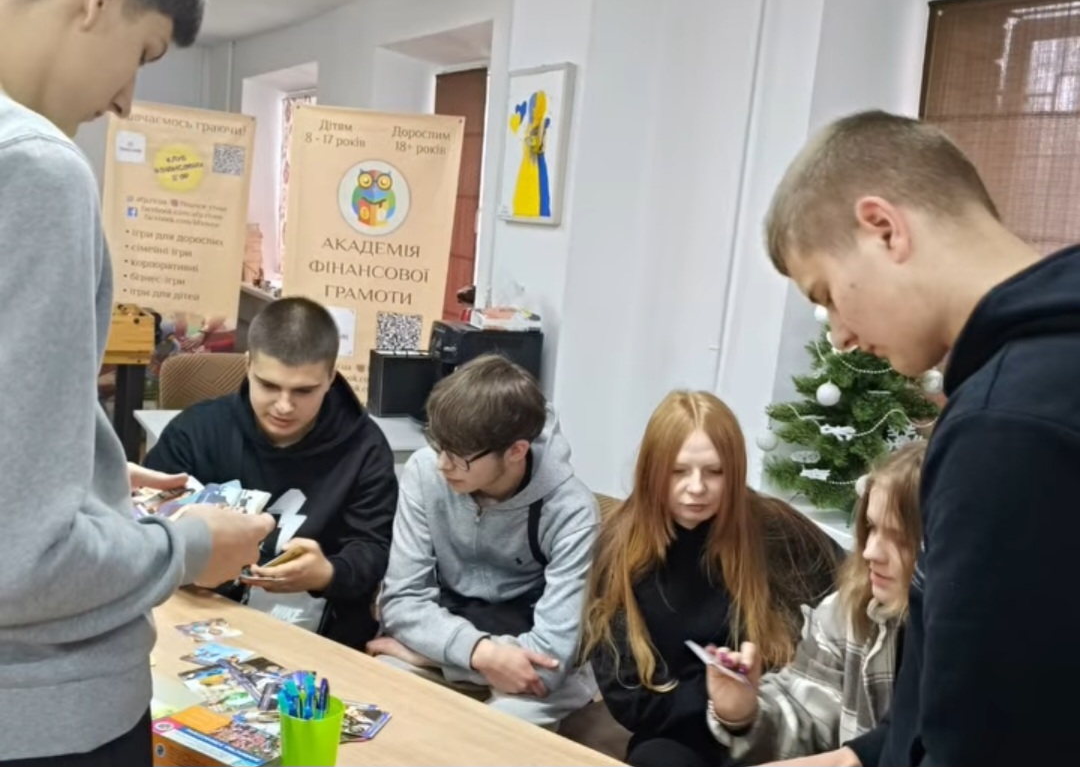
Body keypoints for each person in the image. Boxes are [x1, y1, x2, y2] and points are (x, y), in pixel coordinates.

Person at [0, 0, 274, 764]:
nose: (124, 99)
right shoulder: (35, 168)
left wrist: (90, 476)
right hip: (44, 715)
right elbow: (19, 557)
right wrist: (190, 545)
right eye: (145, 54)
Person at [764, 108, 1080, 766]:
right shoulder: (1048, 374)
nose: (839, 335)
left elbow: (983, 746)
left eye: (828, 294)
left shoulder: (1004, 425)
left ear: (883, 228)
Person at [580, 391, 842, 767]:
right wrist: (718, 699)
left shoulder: (778, 531)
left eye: (715, 472)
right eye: (678, 471)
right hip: (677, 733)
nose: (697, 487)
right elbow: (629, 700)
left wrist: (751, 706)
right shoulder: (620, 547)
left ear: (734, 473)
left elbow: (849, 606)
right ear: (652, 470)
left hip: (772, 726)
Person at [145, 296, 399, 650]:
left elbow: (374, 548)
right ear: (248, 364)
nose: (284, 406)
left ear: (330, 376)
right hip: (200, 623)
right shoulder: (194, 432)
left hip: (320, 640)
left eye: (304, 391)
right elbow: (147, 529)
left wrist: (329, 573)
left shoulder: (365, 448)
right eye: (268, 385)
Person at [368, 354, 601, 729]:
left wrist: (430, 656)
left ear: (516, 451)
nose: (443, 464)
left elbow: (549, 662)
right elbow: (401, 600)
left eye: (459, 456)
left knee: (500, 730)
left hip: (524, 668)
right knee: (381, 691)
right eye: (438, 444)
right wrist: (478, 653)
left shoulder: (571, 512)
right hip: (458, 639)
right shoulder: (425, 471)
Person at [706, 441, 925, 767]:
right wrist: (743, 712)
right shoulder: (846, 611)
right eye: (872, 528)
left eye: (900, 539)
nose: (870, 552)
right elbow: (807, 716)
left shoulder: (972, 649)